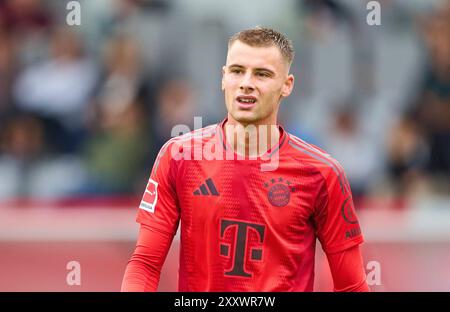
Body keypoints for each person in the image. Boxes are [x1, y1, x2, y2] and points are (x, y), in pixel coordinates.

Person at [121, 27, 369, 292]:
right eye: (237, 71)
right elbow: (145, 264)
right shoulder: (179, 157)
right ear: (223, 77)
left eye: (261, 74)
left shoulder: (322, 174)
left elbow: (351, 286)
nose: (246, 82)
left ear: (287, 85)